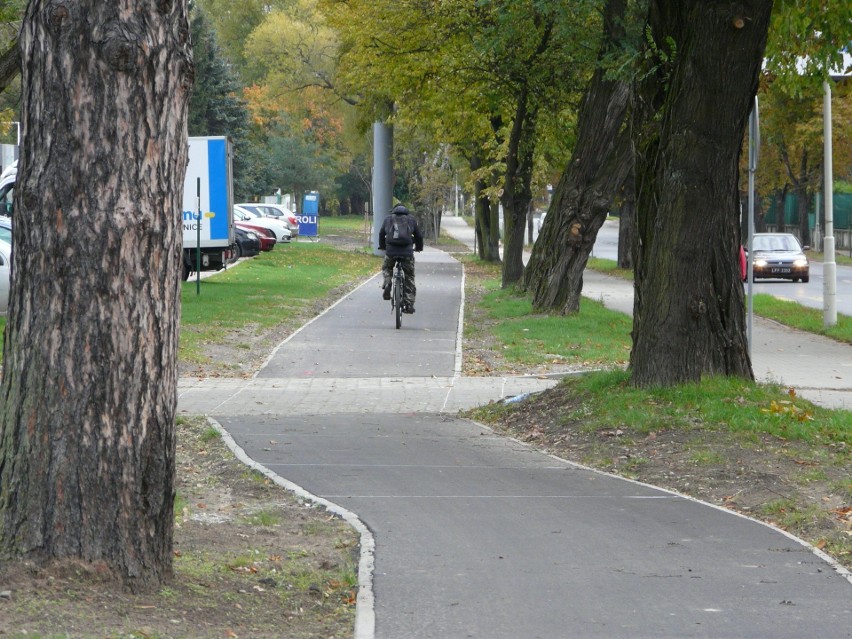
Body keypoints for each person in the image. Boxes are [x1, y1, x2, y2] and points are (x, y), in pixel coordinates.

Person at [378, 204, 423, 313]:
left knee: (387, 268)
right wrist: (418, 248)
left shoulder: (388, 219)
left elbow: (381, 234)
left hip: (391, 252)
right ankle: (409, 304)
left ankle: (388, 282)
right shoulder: (411, 220)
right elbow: (419, 236)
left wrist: (383, 246)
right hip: (407, 253)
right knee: (409, 277)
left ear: (393, 212)